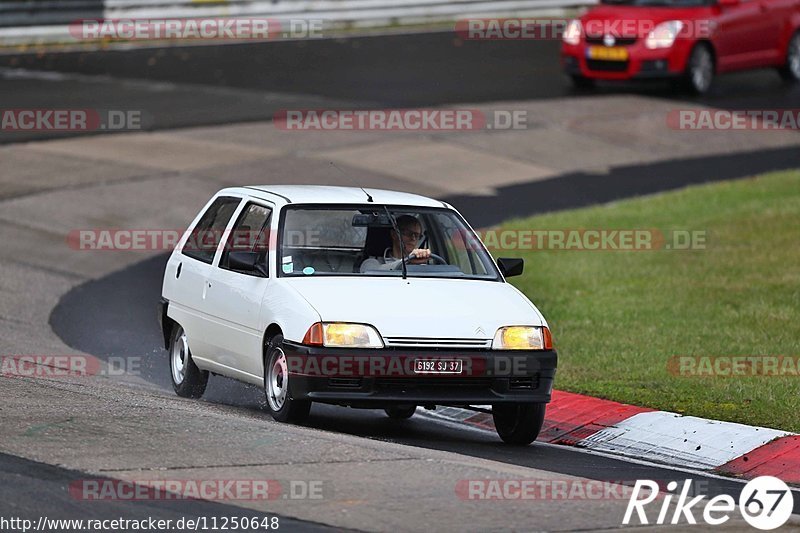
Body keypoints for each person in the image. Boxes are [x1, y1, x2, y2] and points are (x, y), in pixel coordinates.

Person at [360, 215, 431, 272]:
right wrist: (407, 261)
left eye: (417, 235)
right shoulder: (373, 262)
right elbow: (370, 272)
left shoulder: (423, 266)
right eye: (408, 233)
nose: (413, 238)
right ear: (394, 234)